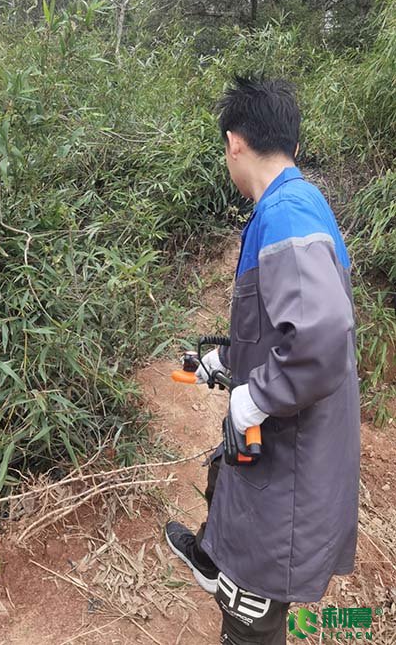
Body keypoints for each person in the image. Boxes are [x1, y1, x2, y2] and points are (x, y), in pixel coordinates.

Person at [165, 76, 360, 644]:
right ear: (293, 145)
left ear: (234, 142)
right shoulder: (298, 202)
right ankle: (210, 558)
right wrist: (225, 361)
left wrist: (255, 397)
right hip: (285, 449)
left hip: (289, 466)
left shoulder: (286, 214)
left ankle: (229, 584)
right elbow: (280, 328)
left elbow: (320, 339)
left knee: (250, 617)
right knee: (225, 479)